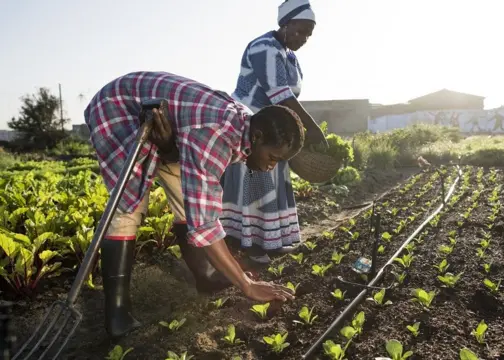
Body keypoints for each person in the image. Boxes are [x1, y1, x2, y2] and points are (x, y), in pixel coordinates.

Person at [84, 71, 298, 338]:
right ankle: (117, 314)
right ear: (256, 137)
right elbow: (206, 223)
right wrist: (246, 285)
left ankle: (206, 276)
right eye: (272, 157)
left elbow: (199, 204)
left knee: (187, 201)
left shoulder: (246, 123)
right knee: (128, 207)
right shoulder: (215, 136)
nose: (271, 167)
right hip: (118, 109)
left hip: (170, 130)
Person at [220, 0, 327, 265]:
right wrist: (310, 129)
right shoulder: (264, 47)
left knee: (272, 182)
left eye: (308, 35)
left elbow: (289, 97)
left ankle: (272, 242)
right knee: (256, 184)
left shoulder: (289, 55)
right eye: (299, 31)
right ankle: (251, 246)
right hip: (251, 128)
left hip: (274, 129)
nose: (303, 38)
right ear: (285, 24)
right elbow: (281, 94)